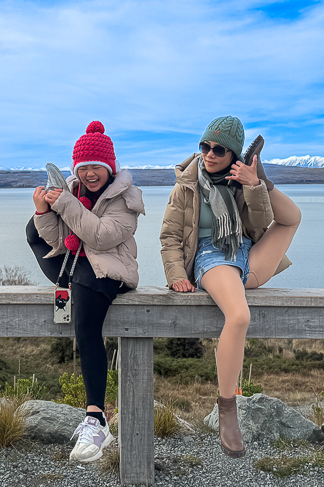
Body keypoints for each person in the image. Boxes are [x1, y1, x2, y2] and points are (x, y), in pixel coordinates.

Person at [160, 116, 301, 458]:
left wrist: (256, 184)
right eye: (205, 146)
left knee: (294, 218)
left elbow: (267, 223)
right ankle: (227, 407)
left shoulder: (240, 183)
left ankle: (264, 176)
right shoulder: (187, 185)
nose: (209, 154)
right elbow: (170, 237)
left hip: (244, 254)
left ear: (233, 155)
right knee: (238, 317)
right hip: (210, 257)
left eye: (218, 149)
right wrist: (176, 273)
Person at [26, 121, 145, 462]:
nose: (90, 174)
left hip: (110, 271)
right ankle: (71, 285)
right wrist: (43, 211)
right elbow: (54, 241)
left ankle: (96, 419)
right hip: (78, 268)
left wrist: (64, 204)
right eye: (84, 168)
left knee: (88, 329)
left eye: (97, 167)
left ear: (110, 168)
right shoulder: (73, 194)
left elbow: (101, 237)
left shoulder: (126, 199)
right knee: (31, 230)